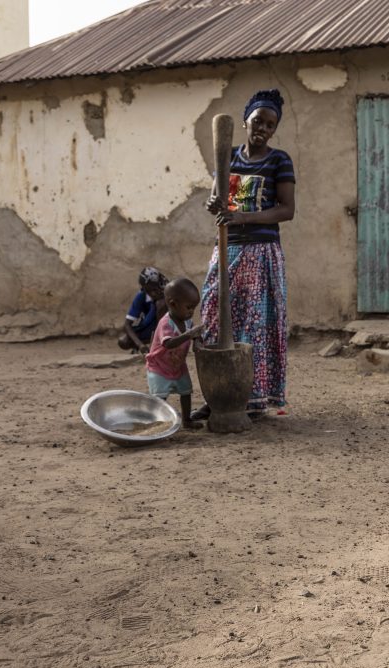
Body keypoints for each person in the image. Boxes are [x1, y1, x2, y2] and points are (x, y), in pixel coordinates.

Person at [197, 88, 296, 419]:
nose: (263, 128)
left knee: (255, 326)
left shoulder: (279, 160)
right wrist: (216, 205)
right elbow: (217, 201)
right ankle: (220, 393)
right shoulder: (228, 157)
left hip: (261, 251)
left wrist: (242, 216)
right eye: (258, 121)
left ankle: (252, 399)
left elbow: (286, 210)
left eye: (270, 124)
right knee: (213, 315)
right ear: (245, 121)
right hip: (227, 248)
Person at [145, 278, 204, 429]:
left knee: (186, 392)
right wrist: (189, 335)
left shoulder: (187, 322)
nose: (192, 312)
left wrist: (197, 341)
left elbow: (195, 336)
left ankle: (187, 420)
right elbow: (169, 343)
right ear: (173, 304)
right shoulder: (165, 323)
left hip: (177, 366)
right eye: (189, 307)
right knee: (160, 398)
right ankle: (159, 423)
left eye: (194, 308)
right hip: (159, 367)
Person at [118, 267, 168, 353]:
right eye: (153, 289)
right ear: (145, 289)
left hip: (168, 329)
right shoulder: (141, 296)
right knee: (123, 341)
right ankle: (145, 346)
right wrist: (140, 345)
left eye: (158, 286)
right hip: (150, 328)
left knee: (161, 304)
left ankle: (159, 343)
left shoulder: (167, 292)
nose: (158, 291)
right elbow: (127, 325)